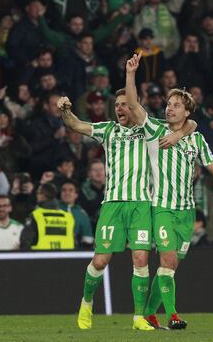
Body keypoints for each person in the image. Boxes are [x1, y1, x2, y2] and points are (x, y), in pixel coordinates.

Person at [57, 88, 195, 331]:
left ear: (134, 106)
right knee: (100, 261)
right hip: (112, 204)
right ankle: (86, 302)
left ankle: (138, 318)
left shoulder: (148, 128)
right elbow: (76, 125)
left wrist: (178, 134)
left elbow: (190, 122)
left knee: (141, 259)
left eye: (124, 104)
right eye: (117, 105)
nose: (120, 108)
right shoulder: (108, 130)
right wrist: (65, 110)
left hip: (141, 204)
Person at [125, 52, 213, 330]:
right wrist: (131, 74)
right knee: (168, 260)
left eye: (176, 105)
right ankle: (172, 316)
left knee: (169, 268)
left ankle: (148, 315)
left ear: (187, 113)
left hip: (186, 211)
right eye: (169, 104)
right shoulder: (155, 129)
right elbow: (134, 106)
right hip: (161, 207)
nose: (169, 108)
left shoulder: (195, 137)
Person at [20, 182, 75, 251]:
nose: (36, 196)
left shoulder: (36, 215)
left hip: (42, 257)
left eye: (37, 193)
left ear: (42, 196)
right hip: (67, 258)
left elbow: (25, 240)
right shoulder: (68, 216)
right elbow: (74, 241)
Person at [59, 181, 94, 249]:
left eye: (71, 190)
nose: (67, 193)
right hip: (54, 251)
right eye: (64, 190)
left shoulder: (82, 214)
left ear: (76, 195)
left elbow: (87, 239)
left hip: (75, 253)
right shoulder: (53, 210)